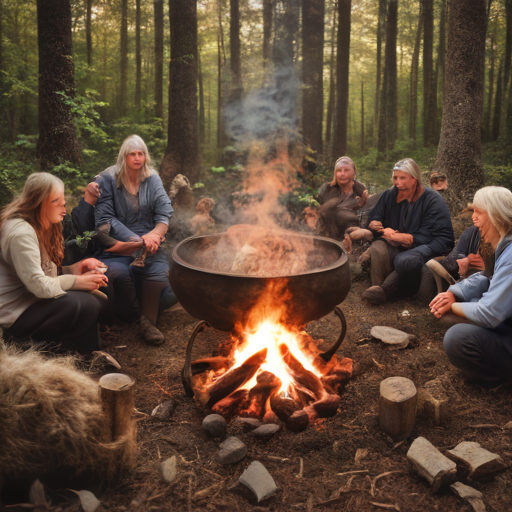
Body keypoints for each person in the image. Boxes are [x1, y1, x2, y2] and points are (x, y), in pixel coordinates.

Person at [0, 173, 108, 354]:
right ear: (39, 202)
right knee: (80, 302)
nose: (64, 207)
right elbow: (39, 286)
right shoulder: (21, 234)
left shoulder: (39, 224)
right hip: (12, 317)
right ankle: (29, 347)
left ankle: (87, 354)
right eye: (56, 201)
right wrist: (77, 281)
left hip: (30, 303)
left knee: (97, 295)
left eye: (63, 201)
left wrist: (77, 268)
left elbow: (45, 271)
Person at [95, 135, 176, 345]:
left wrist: (155, 235)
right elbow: (105, 220)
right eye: (133, 154)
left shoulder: (152, 178)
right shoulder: (107, 179)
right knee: (118, 276)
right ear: (124, 156)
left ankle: (147, 322)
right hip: (119, 244)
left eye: (141, 153)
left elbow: (164, 213)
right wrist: (136, 240)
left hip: (150, 244)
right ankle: (133, 315)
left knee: (169, 289)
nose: (137, 158)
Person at [430, 186, 512, 388]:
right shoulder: (502, 246)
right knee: (470, 304)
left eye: (479, 212)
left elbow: (489, 313)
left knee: (457, 338)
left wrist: (451, 307)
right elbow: (487, 278)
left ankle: (499, 381)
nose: (473, 218)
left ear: (496, 215)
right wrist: (454, 293)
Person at [362, 158, 454, 304]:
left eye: (402, 178)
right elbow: (374, 217)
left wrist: (405, 238)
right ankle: (377, 287)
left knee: (405, 260)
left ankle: (389, 293)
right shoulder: (390, 195)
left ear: (414, 180)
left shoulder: (432, 201)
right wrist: (380, 228)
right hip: (399, 242)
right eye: (395, 177)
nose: (396, 182)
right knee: (378, 248)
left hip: (432, 244)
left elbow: (431, 236)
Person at [317, 156, 369, 240]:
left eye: (346, 170)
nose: (342, 174)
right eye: (339, 170)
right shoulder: (327, 189)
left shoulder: (360, 191)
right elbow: (321, 211)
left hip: (353, 235)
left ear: (353, 172)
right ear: (335, 173)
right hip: (328, 235)